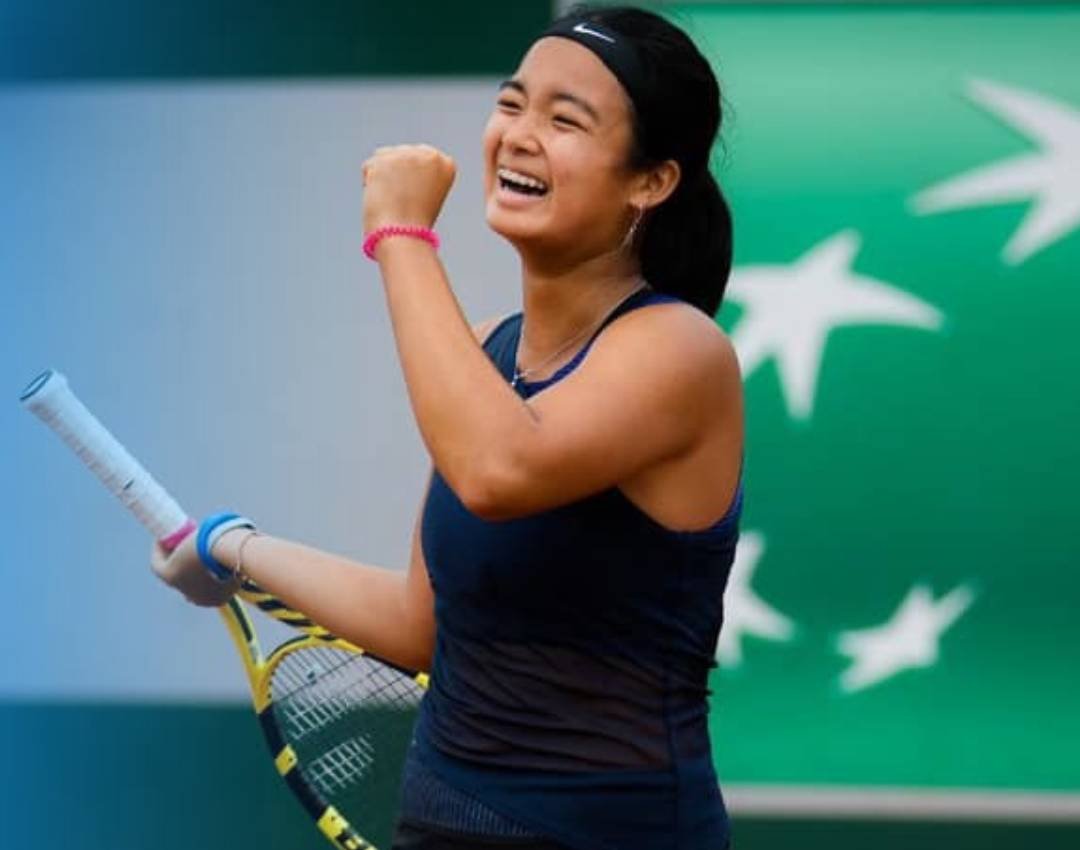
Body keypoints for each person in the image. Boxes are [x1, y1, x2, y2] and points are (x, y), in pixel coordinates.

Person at [152, 5, 743, 849]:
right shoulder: (489, 352)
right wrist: (231, 546)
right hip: (437, 823)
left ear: (650, 181)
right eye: (512, 103)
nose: (520, 135)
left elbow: (498, 471)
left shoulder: (681, 349)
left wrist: (400, 234)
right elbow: (420, 625)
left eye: (565, 119)